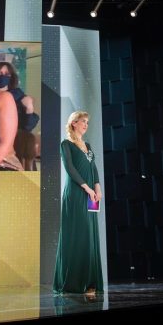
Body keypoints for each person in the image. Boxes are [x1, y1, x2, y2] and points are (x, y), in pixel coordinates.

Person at [53, 111, 103, 295]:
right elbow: (70, 169)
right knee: (77, 235)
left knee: (89, 235)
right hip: (76, 194)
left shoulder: (87, 145)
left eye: (87, 122)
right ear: (74, 123)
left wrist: (97, 188)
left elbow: (93, 168)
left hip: (90, 196)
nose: (86, 125)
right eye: (83, 121)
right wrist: (87, 188)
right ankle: (73, 282)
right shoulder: (66, 144)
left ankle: (89, 282)